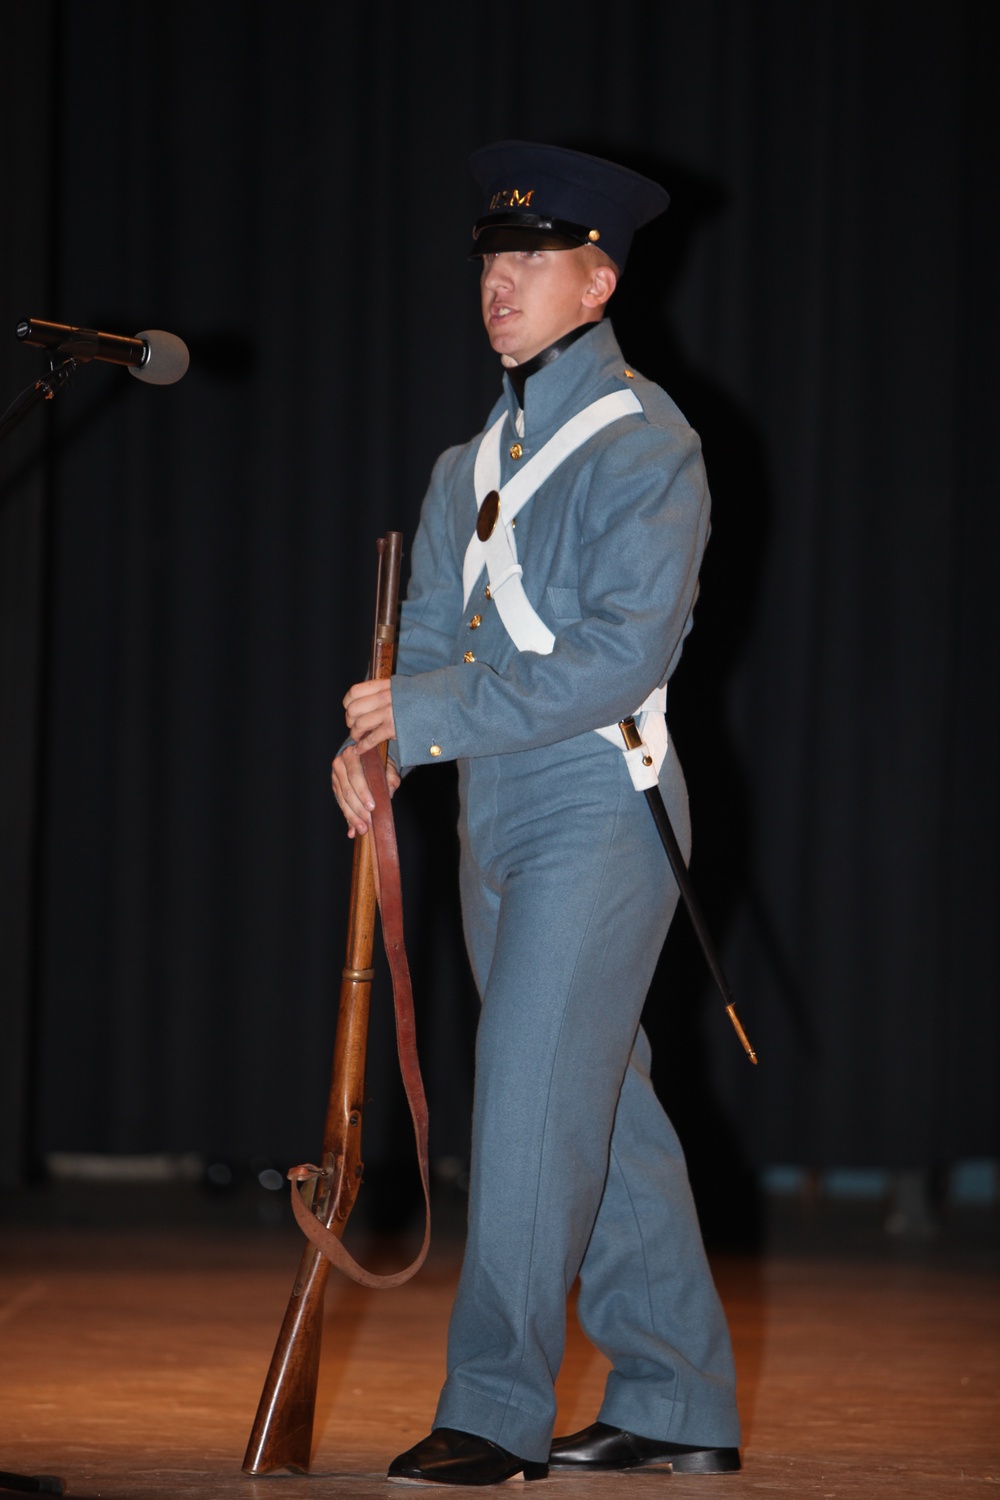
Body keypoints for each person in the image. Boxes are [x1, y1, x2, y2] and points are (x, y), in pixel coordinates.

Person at [332, 140, 741, 1486]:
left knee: (523, 1106)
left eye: (533, 261)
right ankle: (678, 1399)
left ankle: (493, 1412)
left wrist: (431, 716)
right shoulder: (466, 467)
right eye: (492, 261)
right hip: (494, 810)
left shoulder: (647, 445)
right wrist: (383, 750)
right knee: (597, 1105)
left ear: (598, 280)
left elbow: (624, 654)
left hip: (596, 803)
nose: (501, 283)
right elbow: (432, 641)